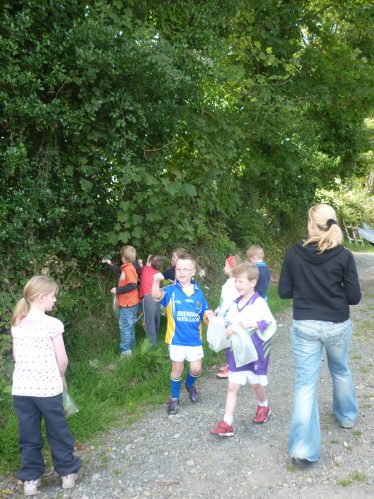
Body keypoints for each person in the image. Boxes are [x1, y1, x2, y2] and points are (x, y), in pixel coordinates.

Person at [278, 204, 361, 469]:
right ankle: (346, 417)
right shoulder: (344, 256)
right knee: (340, 370)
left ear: (312, 225)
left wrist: (306, 288)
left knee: (305, 384)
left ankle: (303, 451)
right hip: (337, 324)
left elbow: (283, 291)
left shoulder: (294, 253)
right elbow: (354, 297)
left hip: (305, 325)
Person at [11, 276, 82, 496]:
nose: (55, 300)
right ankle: (67, 473)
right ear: (42, 298)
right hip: (49, 389)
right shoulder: (52, 324)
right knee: (58, 430)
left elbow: (16, 357)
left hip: (22, 390)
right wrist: (61, 377)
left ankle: (31, 479)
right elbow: (62, 360)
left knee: (28, 432)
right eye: (53, 296)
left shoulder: (17, 323)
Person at [211, 263, 277, 437]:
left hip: (254, 353)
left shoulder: (259, 303)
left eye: (241, 282)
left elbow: (270, 323)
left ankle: (264, 405)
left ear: (253, 282)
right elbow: (226, 320)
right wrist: (216, 321)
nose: (237, 285)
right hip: (236, 353)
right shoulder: (234, 304)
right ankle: (227, 422)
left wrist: (252, 324)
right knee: (233, 386)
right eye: (236, 282)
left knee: (256, 384)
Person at [152, 253, 211, 415]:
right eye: (178, 269)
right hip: (176, 339)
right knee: (177, 368)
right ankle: (174, 399)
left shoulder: (198, 292)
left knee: (197, 369)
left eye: (186, 269)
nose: (181, 272)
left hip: (194, 340)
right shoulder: (171, 290)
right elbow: (156, 295)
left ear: (193, 272)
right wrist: (156, 281)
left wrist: (210, 318)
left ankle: (190, 384)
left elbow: (204, 313)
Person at [102, 245, 140, 356]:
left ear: (123, 258)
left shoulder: (129, 269)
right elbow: (118, 270)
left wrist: (117, 289)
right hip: (131, 303)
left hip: (128, 305)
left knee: (125, 327)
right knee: (130, 325)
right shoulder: (126, 267)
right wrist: (109, 263)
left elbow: (132, 285)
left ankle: (125, 352)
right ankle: (132, 346)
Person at [215, 255, 242, 379]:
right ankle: (232, 365)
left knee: (229, 344)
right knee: (231, 343)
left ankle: (232, 368)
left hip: (229, 318)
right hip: (234, 316)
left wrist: (219, 313)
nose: (224, 268)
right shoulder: (236, 282)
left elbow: (225, 302)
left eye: (226, 265)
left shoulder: (230, 284)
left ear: (232, 268)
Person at [139, 254, 164, 346]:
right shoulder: (158, 273)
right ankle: (155, 339)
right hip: (157, 296)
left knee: (149, 321)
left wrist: (140, 263)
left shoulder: (145, 269)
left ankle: (151, 344)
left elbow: (138, 269)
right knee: (156, 318)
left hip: (148, 297)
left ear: (149, 263)